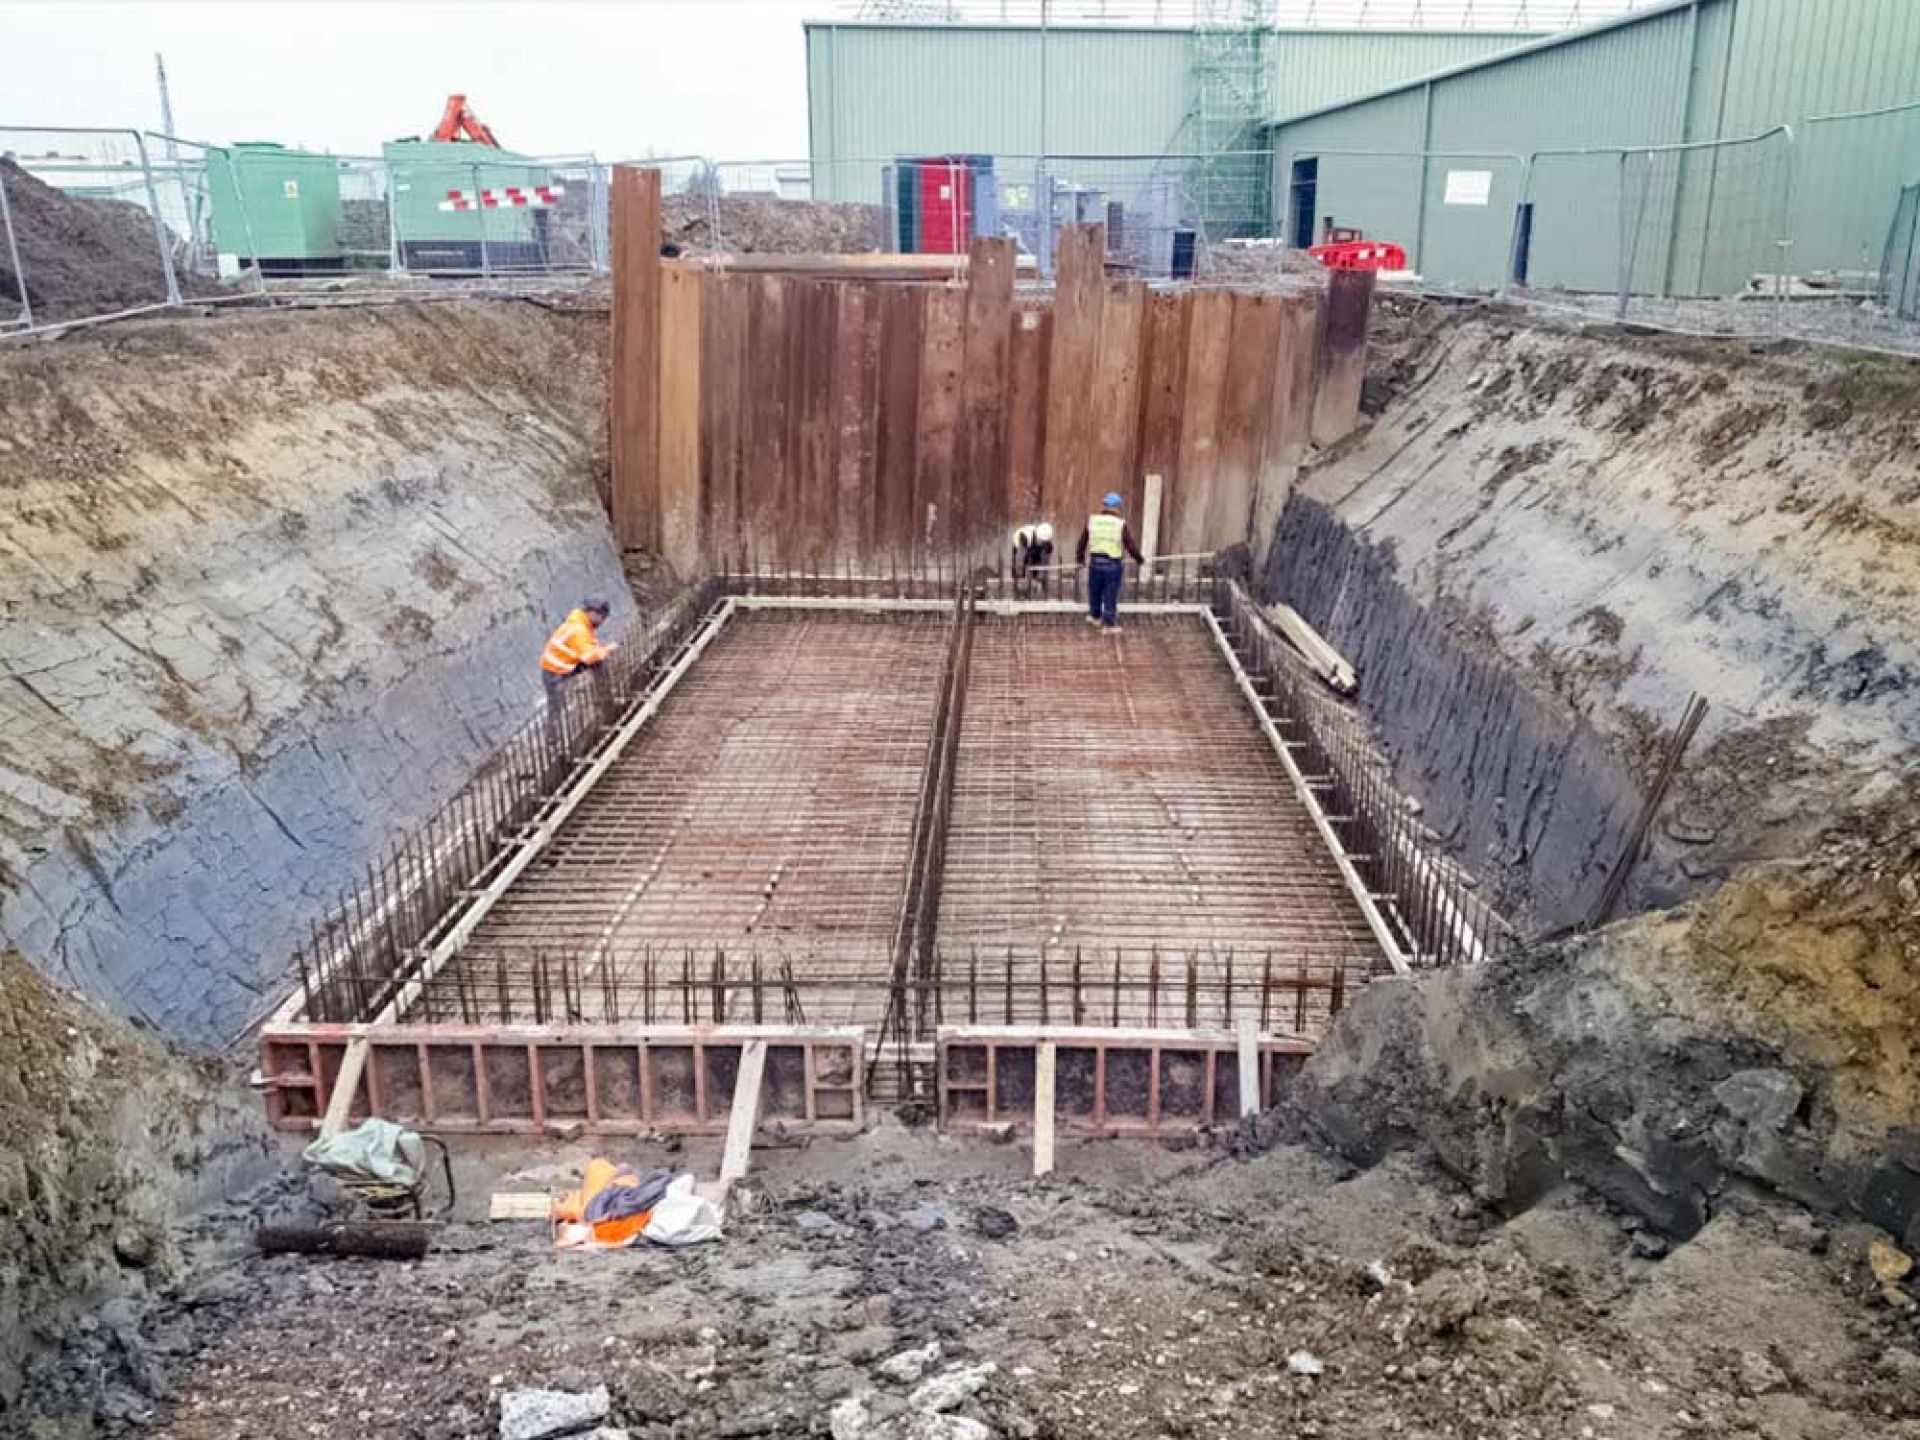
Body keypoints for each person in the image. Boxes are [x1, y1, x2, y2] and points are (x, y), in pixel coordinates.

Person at [1075, 493, 1145, 631]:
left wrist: (1080, 558)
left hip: (1095, 563)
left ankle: (1095, 616)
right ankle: (1108, 623)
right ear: (1117, 508)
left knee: (1094, 590)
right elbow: (1130, 545)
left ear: (1104, 506)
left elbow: (1082, 541)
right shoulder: (1120, 524)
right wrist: (1139, 559)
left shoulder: (1093, 521)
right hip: (1112, 565)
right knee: (1110, 593)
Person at [540, 597, 618, 707]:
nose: (602, 621)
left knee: (598, 663)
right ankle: (554, 723)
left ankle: (605, 698)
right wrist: (608, 649)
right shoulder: (579, 630)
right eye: (601, 617)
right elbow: (588, 657)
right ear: (593, 613)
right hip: (555, 671)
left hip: (566, 663)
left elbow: (591, 647)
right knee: (557, 707)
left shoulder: (583, 624)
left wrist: (602, 651)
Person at [1011, 521, 1055, 592]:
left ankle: (1036, 583)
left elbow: (1045, 562)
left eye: (1044, 542)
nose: (1043, 543)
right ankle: (1018, 586)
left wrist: (1040, 579)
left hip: (1032, 546)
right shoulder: (1024, 538)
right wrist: (1020, 577)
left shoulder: (1046, 541)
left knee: (1037, 560)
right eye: (1042, 541)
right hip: (1021, 544)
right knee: (1022, 563)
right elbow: (1020, 558)